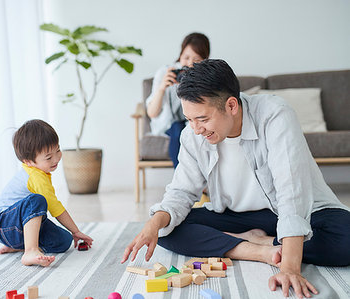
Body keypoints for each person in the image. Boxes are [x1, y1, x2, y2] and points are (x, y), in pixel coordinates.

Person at [122, 59, 350, 298]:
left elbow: (292, 190)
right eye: (190, 119)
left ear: (231, 105)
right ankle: (254, 249)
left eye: (202, 119)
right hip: (239, 219)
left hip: (304, 210)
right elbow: (181, 192)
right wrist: (154, 224)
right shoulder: (192, 135)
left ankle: (267, 242)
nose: (196, 129)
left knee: (346, 239)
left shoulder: (275, 114)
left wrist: (290, 267)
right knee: (166, 230)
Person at [0, 119, 93, 267]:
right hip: (3, 225)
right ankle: (30, 251)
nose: (56, 158)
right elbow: (55, 207)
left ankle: (20, 246)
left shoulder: (40, 171)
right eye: (49, 157)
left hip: (19, 228)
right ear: (28, 161)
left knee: (64, 240)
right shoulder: (35, 177)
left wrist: (72, 234)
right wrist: (76, 231)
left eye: (57, 150)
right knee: (37, 200)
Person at [146, 32, 210, 167]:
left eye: (196, 60)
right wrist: (162, 88)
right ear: (180, 55)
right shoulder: (166, 73)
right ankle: (181, 180)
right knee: (178, 128)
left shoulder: (207, 76)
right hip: (170, 125)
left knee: (191, 131)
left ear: (205, 60)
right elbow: (152, 113)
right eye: (186, 57)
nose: (189, 63)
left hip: (195, 124)